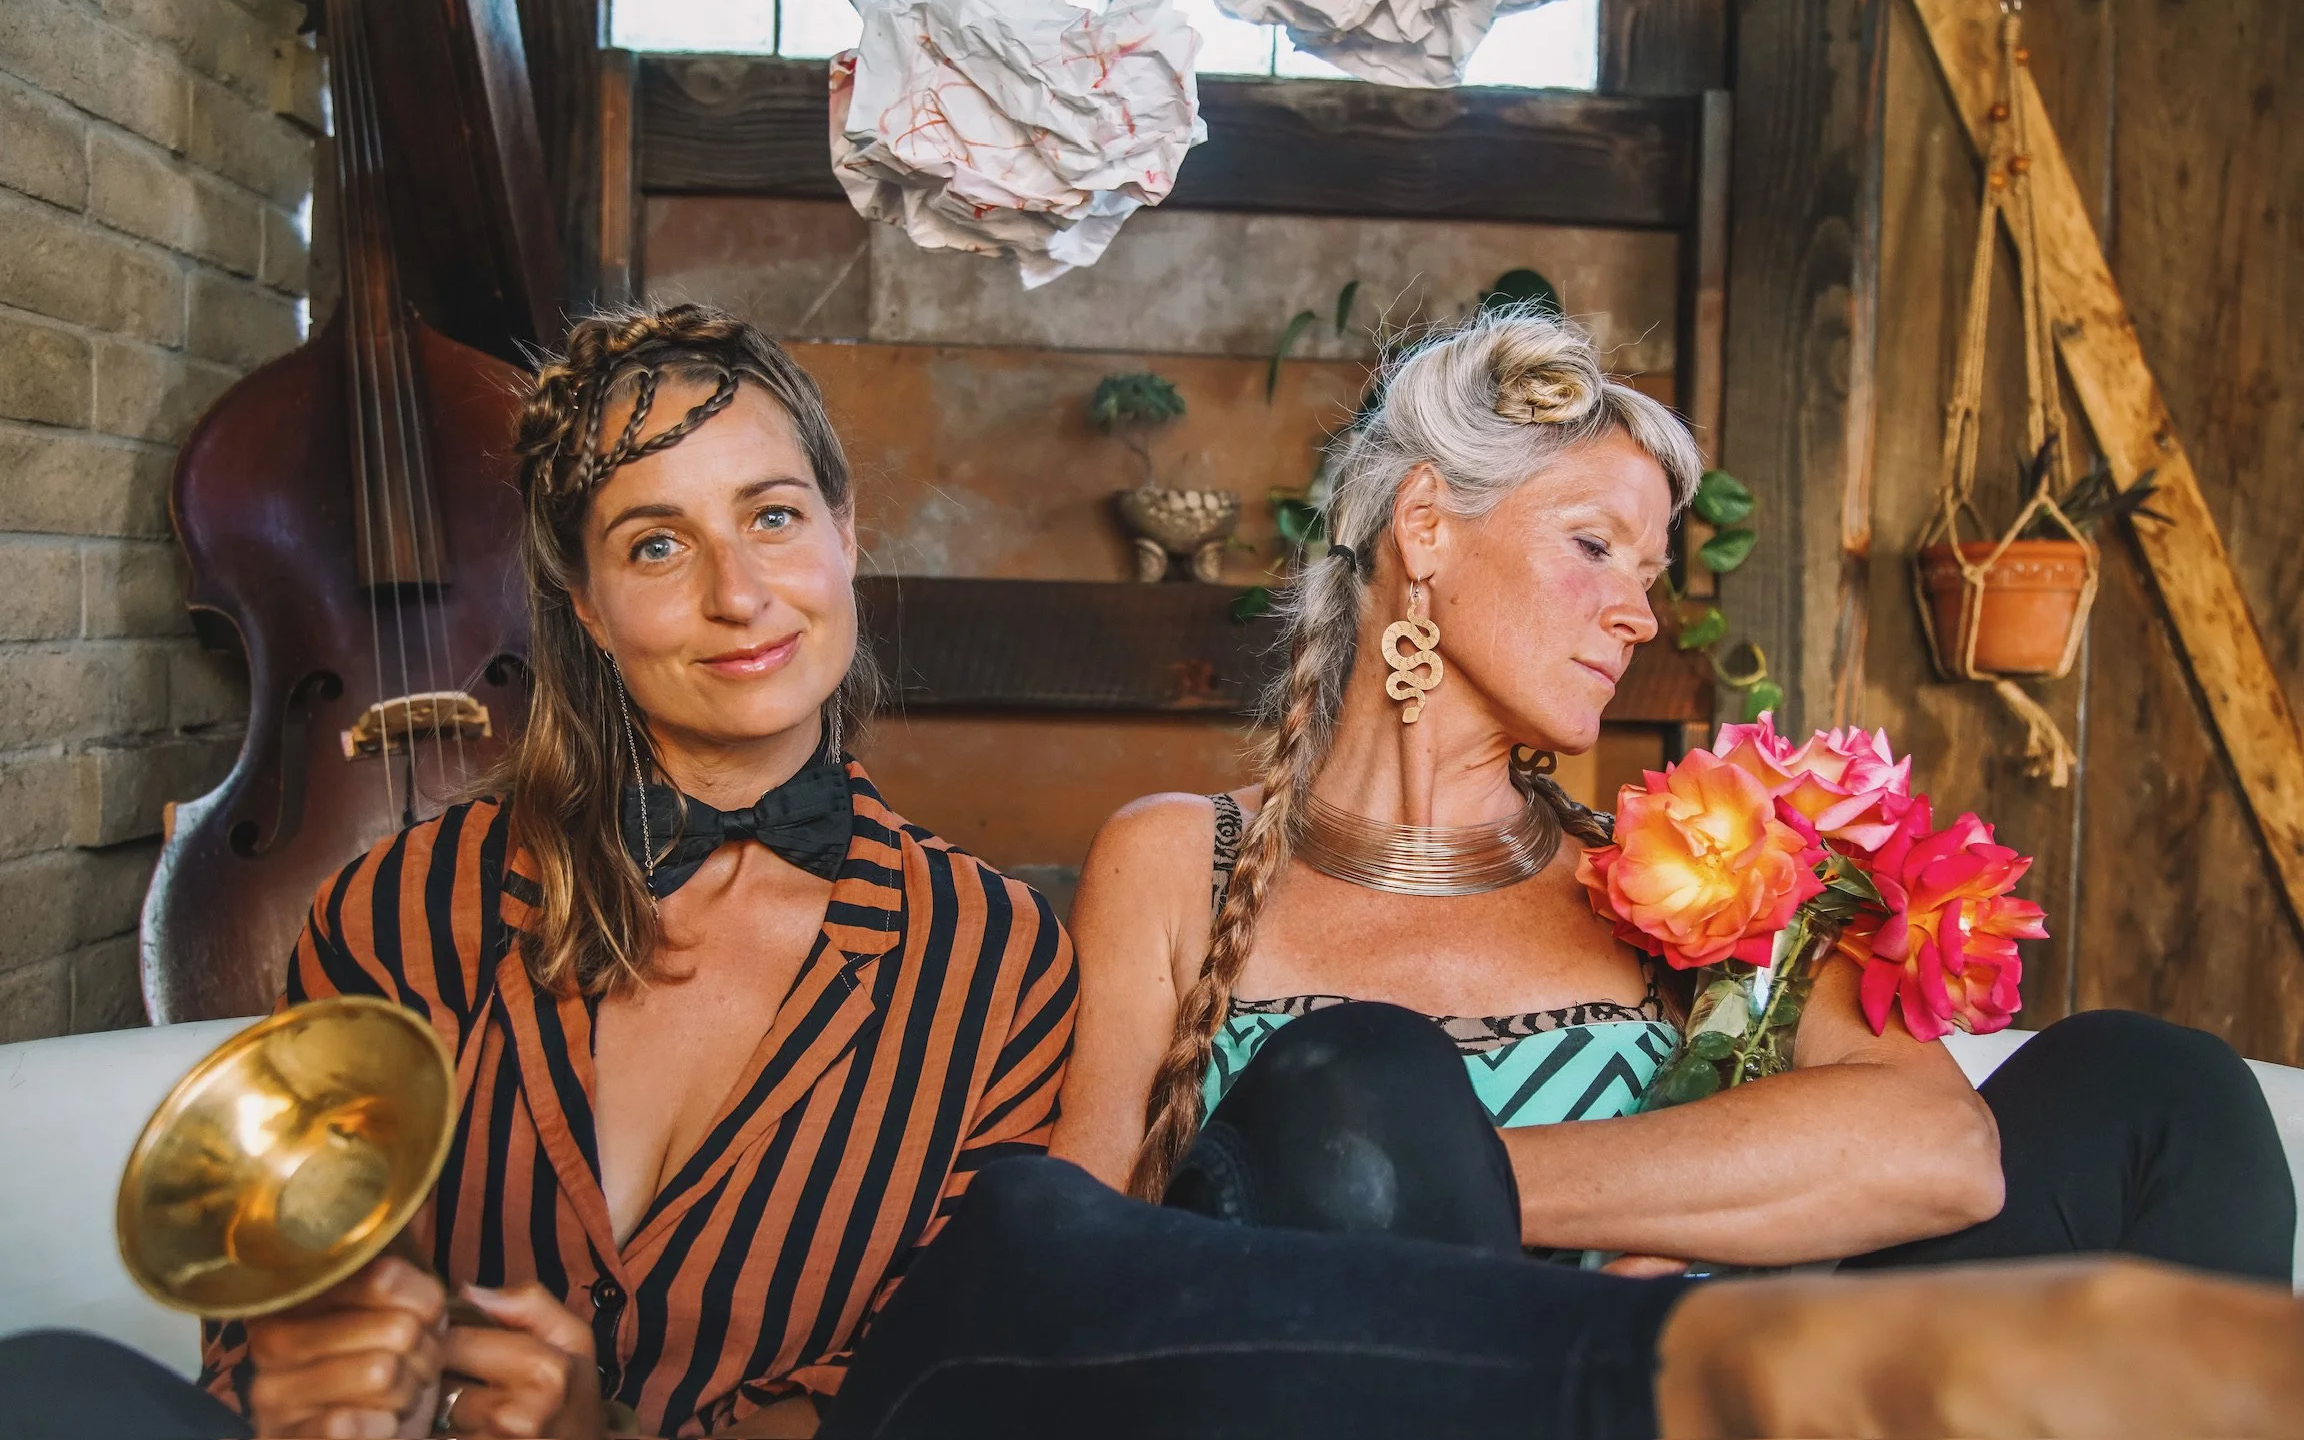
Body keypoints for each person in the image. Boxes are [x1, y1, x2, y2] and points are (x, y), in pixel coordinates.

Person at [810, 308, 2301, 1438]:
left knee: (2155, 1090)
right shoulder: (1179, 858)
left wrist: (1452, 1196)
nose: (1636, 613)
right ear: (1425, 533)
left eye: (1652, 575)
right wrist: (1368, 1190)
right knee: (1357, 1083)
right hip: (1346, 1400)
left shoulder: (1684, 871)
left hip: (1678, 1399)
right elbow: (1075, 1245)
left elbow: (1938, 1151)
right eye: (1595, 546)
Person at [10, 304, 1074, 1440]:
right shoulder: (396, 912)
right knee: (48, 1385)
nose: (738, 593)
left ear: (844, 535)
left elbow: (942, 1394)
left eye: (771, 516)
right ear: (586, 604)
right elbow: (275, 1324)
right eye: (656, 544)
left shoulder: (997, 964)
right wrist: (319, 1385)